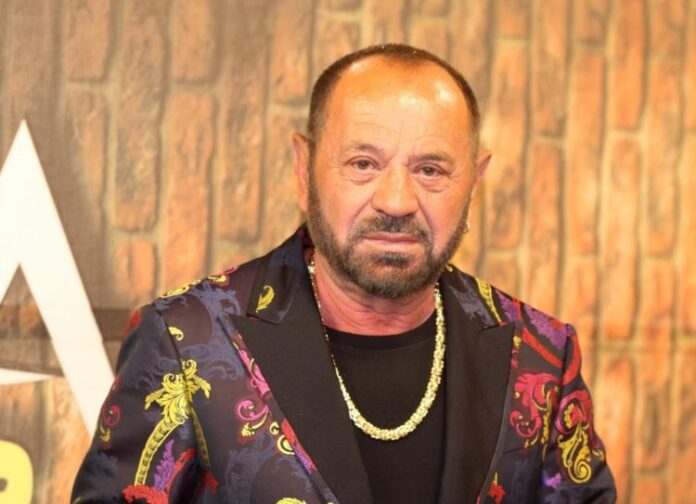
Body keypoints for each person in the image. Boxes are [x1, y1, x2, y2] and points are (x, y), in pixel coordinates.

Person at [72, 44, 616, 503]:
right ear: (304, 170)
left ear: (474, 182)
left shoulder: (542, 353)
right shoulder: (186, 338)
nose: (396, 200)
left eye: (430, 169)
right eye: (363, 164)